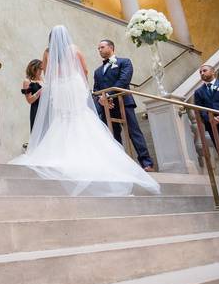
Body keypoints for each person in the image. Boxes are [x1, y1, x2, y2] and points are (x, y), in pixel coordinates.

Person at [10, 26, 161, 196]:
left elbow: (48, 73)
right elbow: (85, 71)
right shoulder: (74, 49)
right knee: (81, 118)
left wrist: (60, 82)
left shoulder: (47, 53)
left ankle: (63, 155)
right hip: (74, 86)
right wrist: (76, 82)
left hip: (60, 89)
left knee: (62, 119)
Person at [92, 40, 154, 171]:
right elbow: (96, 89)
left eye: (102, 47)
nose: (100, 50)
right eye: (98, 48)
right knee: (113, 135)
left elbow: (124, 80)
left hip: (123, 102)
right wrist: (100, 99)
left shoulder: (124, 62)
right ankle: (119, 164)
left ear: (111, 47)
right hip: (107, 107)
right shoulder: (97, 71)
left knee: (134, 132)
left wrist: (107, 95)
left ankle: (146, 163)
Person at [21, 58, 43, 131]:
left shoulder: (42, 79)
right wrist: (39, 92)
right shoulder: (27, 81)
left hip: (45, 108)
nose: (41, 71)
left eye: (42, 69)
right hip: (36, 110)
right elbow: (29, 100)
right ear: (33, 68)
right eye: (39, 69)